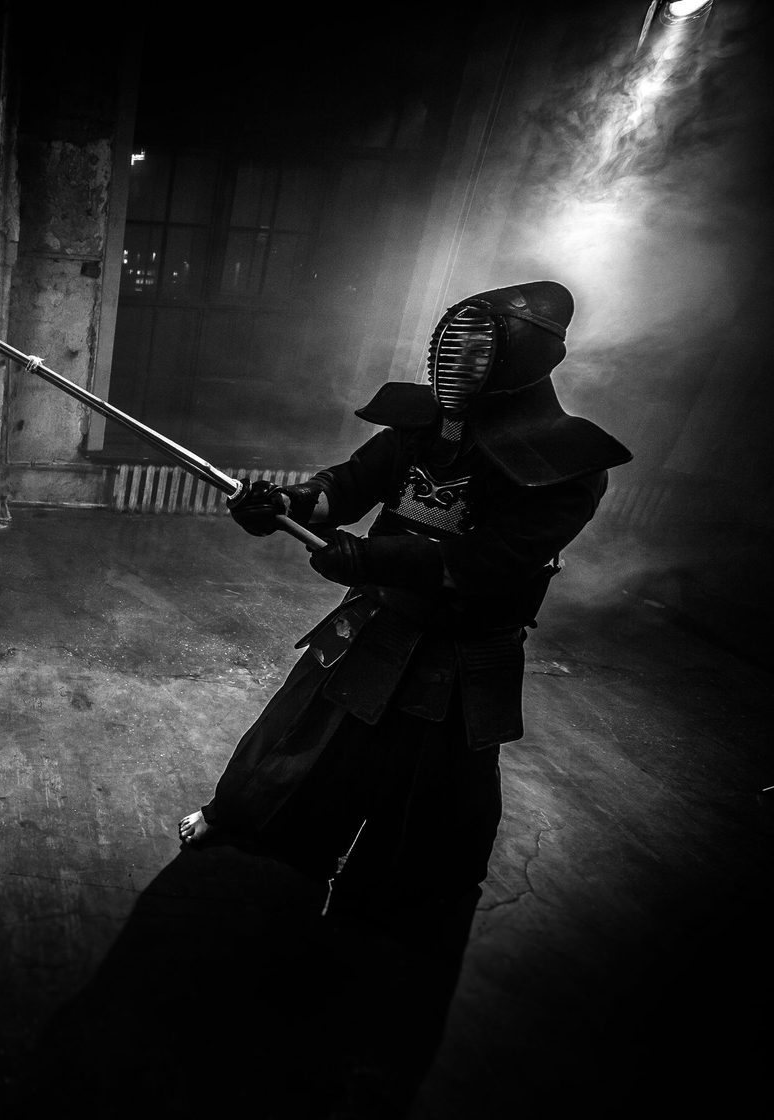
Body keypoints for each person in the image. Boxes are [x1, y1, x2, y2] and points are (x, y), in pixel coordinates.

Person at [178, 280, 631, 1116]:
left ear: (521, 360)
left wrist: (367, 558)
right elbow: (348, 485)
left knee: (426, 812)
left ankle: (378, 924)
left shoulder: (566, 463)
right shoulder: (420, 426)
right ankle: (243, 823)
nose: (457, 363)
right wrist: (284, 503)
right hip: (376, 623)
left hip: (461, 651)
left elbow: (486, 566)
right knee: (297, 740)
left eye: (480, 349)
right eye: (454, 343)